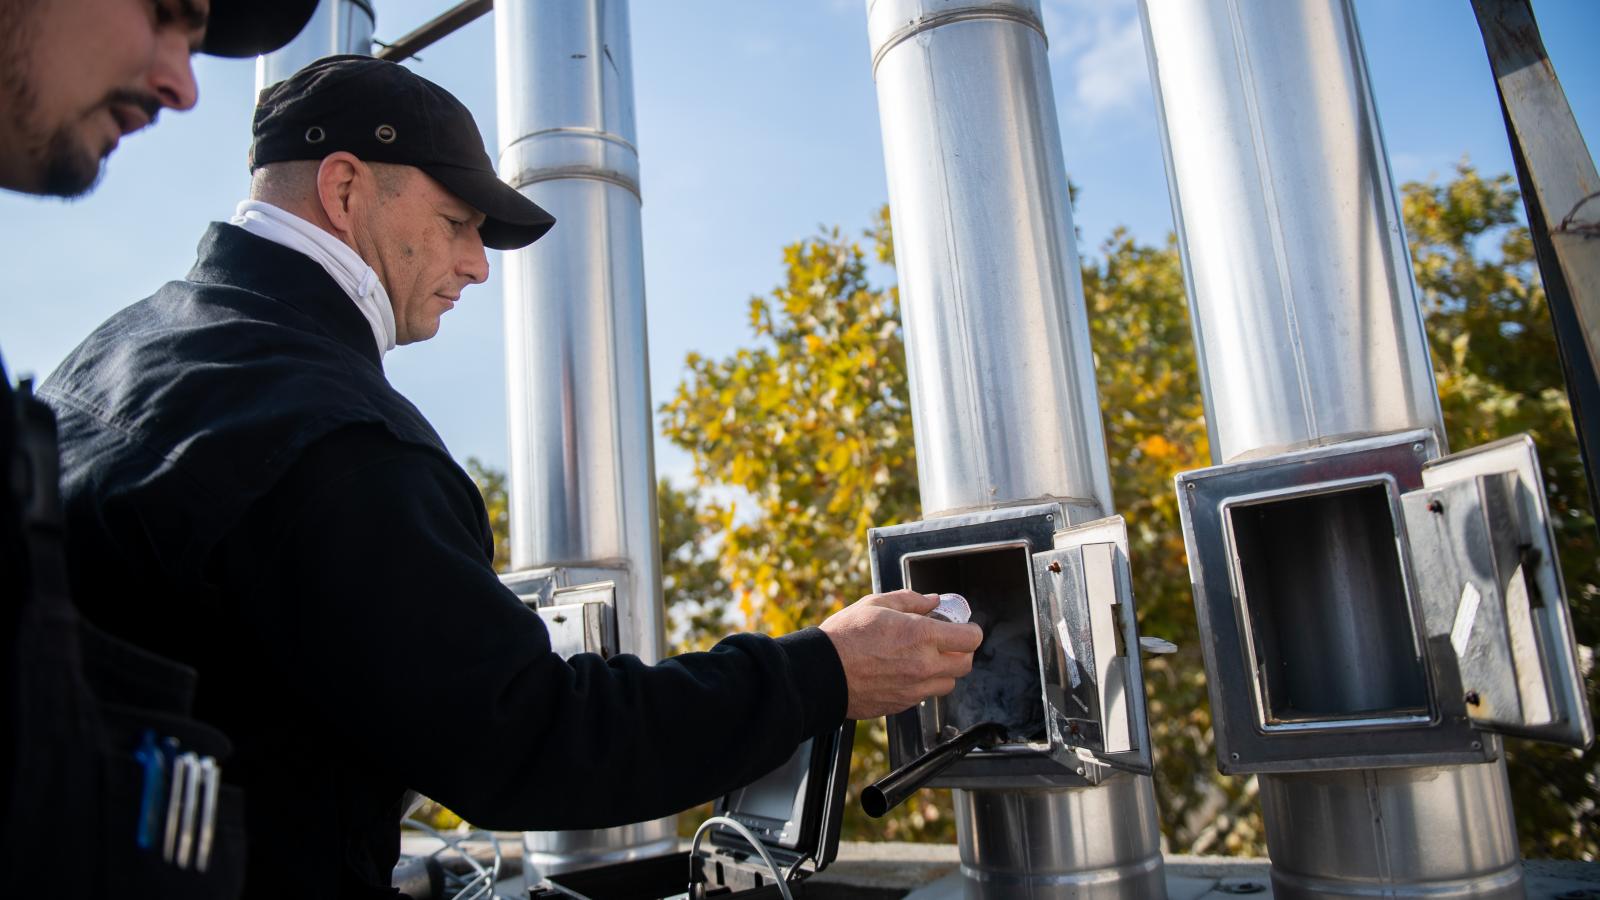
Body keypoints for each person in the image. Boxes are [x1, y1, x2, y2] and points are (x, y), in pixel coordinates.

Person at [40, 55, 983, 898]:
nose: (475, 267)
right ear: (344, 187)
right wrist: (823, 671)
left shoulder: (109, 356)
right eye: (457, 223)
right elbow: (531, 742)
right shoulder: (333, 436)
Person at [0, 1, 319, 896]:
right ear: (343, 190)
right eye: (165, 11)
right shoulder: (324, 417)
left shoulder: (100, 355)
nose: (184, 86)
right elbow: (508, 736)